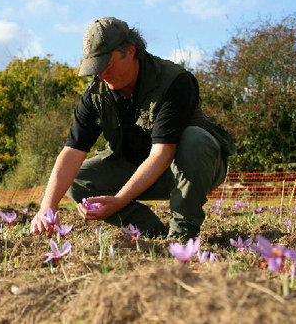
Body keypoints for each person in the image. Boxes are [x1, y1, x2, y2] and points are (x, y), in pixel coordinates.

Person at [30, 17, 235, 239]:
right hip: (137, 170)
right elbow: (72, 151)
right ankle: (150, 231)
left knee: (193, 139)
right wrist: (46, 208)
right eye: (95, 68)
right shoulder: (96, 95)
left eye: (107, 65)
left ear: (131, 51)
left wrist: (119, 201)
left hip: (190, 168)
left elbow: (162, 153)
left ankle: (182, 235)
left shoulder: (174, 81)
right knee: (78, 180)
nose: (101, 75)